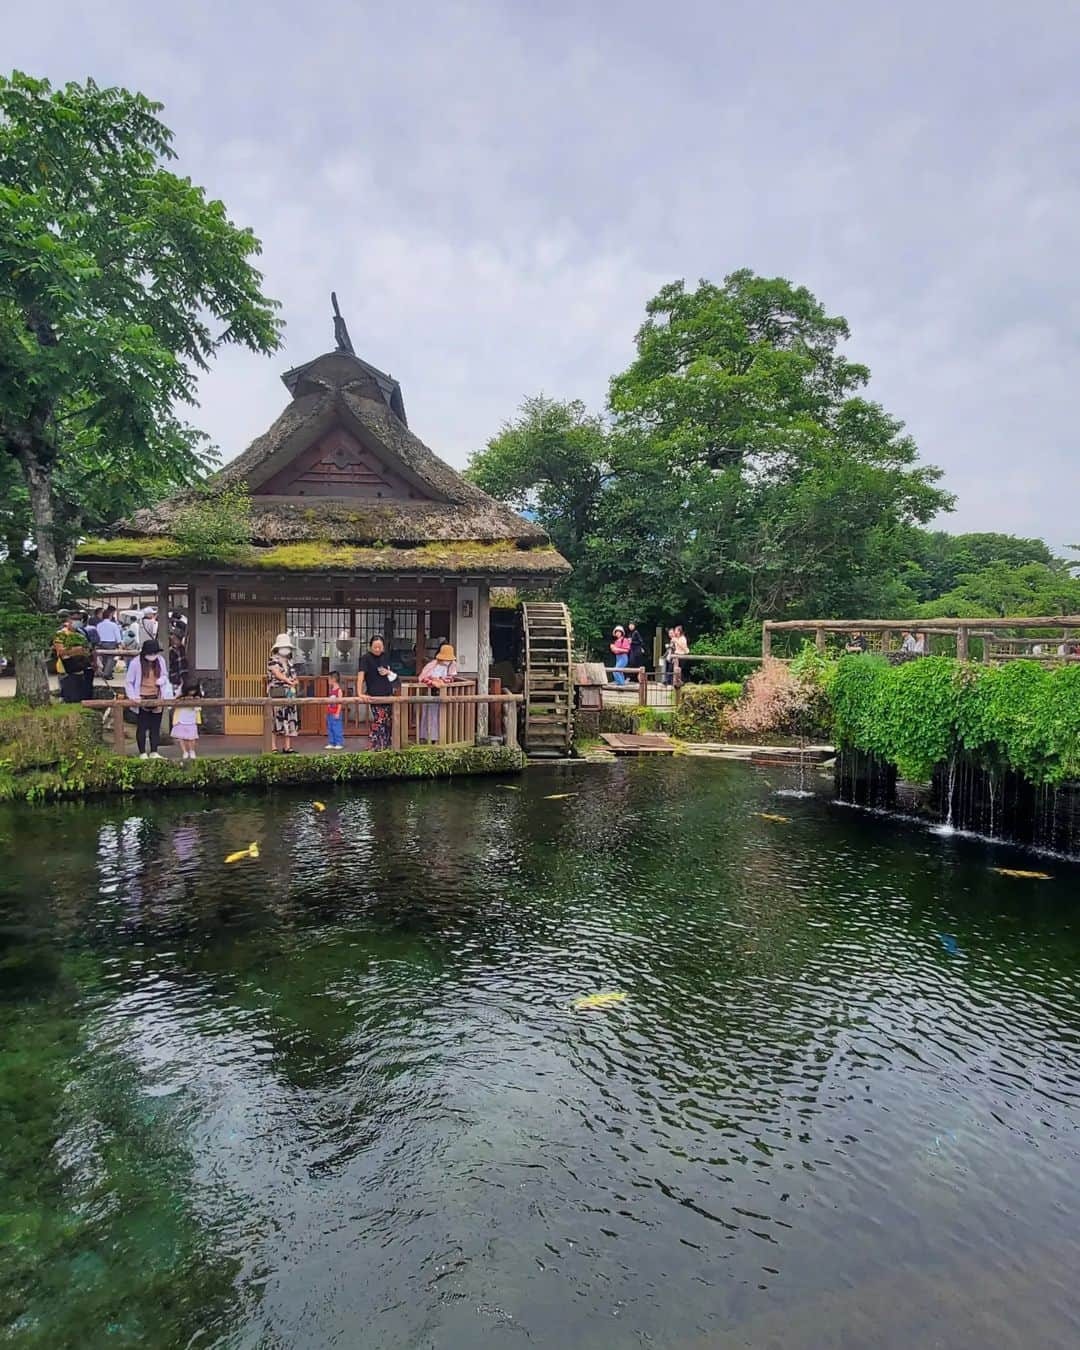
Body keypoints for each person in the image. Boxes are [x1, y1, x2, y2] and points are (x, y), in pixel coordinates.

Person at [124, 639, 170, 758]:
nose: (153, 656)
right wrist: (133, 697)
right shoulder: (136, 663)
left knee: (155, 726)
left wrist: (162, 680)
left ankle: (154, 751)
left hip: (157, 696)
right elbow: (129, 682)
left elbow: (165, 675)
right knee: (142, 727)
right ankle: (142, 752)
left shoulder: (160, 661)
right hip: (141, 698)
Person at [358, 635, 396, 750]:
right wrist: (360, 693)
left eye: (380, 647)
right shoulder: (365, 658)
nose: (378, 649)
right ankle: (376, 745)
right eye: (375, 647)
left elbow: (392, 674)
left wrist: (388, 672)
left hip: (388, 694)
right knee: (379, 719)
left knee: (387, 721)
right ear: (370, 647)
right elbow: (361, 676)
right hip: (375, 694)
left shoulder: (385, 657)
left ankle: (386, 745)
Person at [418, 643, 458, 743]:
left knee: (440, 716)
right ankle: (427, 737)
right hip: (430, 693)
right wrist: (433, 681)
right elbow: (422, 678)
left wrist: (443, 680)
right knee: (429, 716)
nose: (447, 661)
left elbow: (451, 677)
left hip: (443, 693)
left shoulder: (451, 665)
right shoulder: (432, 665)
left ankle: (439, 737)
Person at [266, 634, 299, 753]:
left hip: (289, 694)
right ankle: (273, 746)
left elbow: (295, 677)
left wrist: (294, 682)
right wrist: (287, 680)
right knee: (276, 719)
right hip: (277, 693)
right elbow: (277, 673)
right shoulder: (272, 661)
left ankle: (287, 746)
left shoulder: (290, 662)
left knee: (289, 719)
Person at [171, 681, 201, 760]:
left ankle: (192, 751)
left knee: (192, 738)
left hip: (191, 719)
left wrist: (194, 701)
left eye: (193, 690)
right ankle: (185, 751)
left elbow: (198, 708)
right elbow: (173, 702)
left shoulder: (197, 697)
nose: (191, 692)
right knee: (182, 738)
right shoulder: (180, 695)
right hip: (181, 719)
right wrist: (181, 698)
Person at [96, 606, 124, 680]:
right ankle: (107, 674)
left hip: (101, 643)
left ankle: (105, 672)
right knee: (111, 659)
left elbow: (97, 635)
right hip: (111, 643)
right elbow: (117, 635)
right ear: (110, 616)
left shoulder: (99, 625)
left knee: (104, 658)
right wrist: (120, 643)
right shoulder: (113, 625)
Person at [325, 670, 345, 750]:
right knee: (330, 728)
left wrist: (337, 712)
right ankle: (331, 742)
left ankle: (339, 742)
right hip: (330, 712)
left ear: (333, 679)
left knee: (337, 728)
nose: (328, 681)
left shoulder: (339, 690)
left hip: (336, 712)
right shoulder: (331, 690)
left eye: (329, 679)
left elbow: (340, 703)